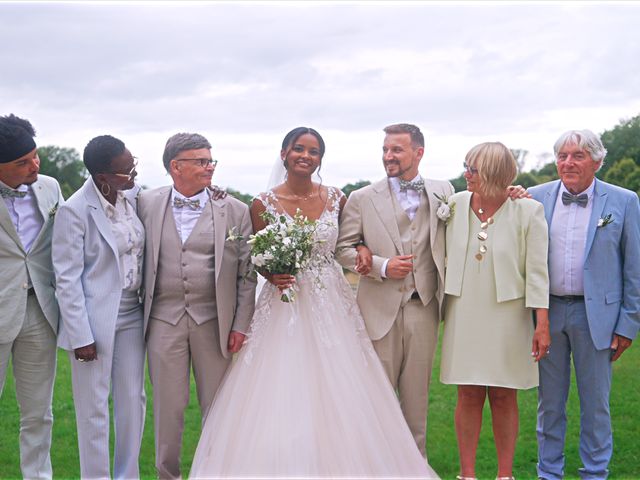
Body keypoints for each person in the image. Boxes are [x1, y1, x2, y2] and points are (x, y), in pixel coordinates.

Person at [189, 127, 438, 478]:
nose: (306, 156)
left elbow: (351, 242)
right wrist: (272, 273)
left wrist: (365, 250)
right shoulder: (262, 203)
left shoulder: (338, 198)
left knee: (343, 385)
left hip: (331, 301)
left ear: (321, 158)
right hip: (282, 304)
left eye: (314, 151)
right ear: (284, 154)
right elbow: (255, 255)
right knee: (279, 386)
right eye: (298, 149)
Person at [138, 132, 256, 480]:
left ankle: (215, 474)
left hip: (214, 321)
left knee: (218, 409)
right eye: (201, 161)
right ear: (176, 166)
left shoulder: (234, 209)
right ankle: (167, 475)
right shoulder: (145, 203)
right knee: (168, 408)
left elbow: (247, 274)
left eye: (210, 160)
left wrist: (239, 324)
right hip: (163, 320)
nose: (210, 167)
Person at [335, 123, 453, 456]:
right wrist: (382, 266)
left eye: (396, 150)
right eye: (386, 149)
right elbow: (342, 249)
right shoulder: (361, 198)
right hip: (377, 311)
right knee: (377, 400)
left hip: (424, 306)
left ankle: (415, 468)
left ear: (419, 152)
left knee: (417, 401)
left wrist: (516, 193)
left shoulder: (443, 190)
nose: (389, 156)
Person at [530, 130, 640, 480]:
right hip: (548, 314)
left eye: (577, 155)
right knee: (549, 404)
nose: (567, 163)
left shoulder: (624, 201)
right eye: (562, 155)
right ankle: (549, 472)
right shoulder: (535, 198)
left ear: (596, 160)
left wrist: (627, 324)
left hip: (600, 317)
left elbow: (634, 267)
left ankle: (594, 473)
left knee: (596, 406)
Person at [439, 142, 551, 480]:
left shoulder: (528, 210)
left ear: (491, 173)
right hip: (464, 309)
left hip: (509, 314)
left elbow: (537, 271)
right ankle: (467, 474)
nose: (465, 174)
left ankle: (505, 475)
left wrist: (541, 323)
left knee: (504, 394)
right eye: (466, 167)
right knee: (468, 392)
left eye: (472, 169)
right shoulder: (454, 205)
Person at [52, 135, 146, 479]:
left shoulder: (131, 197)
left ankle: (127, 475)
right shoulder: (74, 211)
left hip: (133, 313)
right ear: (102, 177)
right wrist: (81, 337)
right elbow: (67, 278)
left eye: (134, 163)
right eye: (127, 170)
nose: (134, 174)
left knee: (133, 402)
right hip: (93, 322)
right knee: (93, 408)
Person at [0, 114, 62, 480]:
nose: (34, 166)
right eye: (21, 163)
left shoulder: (51, 187)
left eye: (35, 156)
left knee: (39, 412)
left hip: (40, 310)